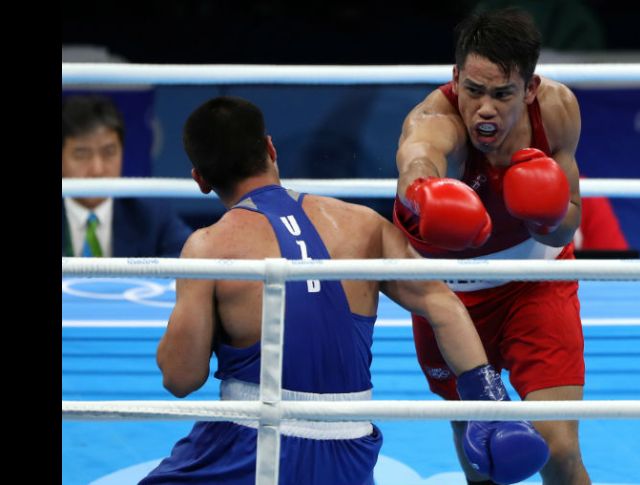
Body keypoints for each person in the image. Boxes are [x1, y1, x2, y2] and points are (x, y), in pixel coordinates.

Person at [140, 96, 550, 485]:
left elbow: (181, 378)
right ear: (270, 148)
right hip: (349, 448)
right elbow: (440, 302)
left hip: (250, 444)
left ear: (199, 180)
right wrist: (488, 400)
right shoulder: (361, 223)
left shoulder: (210, 247)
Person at [392, 7, 591, 485]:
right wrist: (426, 196)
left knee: (557, 446)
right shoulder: (433, 120)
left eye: (502, 94)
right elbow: (417, 159)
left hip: (535, 283)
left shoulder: (557, 111)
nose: (484, 108)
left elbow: (570, 220)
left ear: (530, 88)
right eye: (473, 90)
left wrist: (546, 216)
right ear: (456, 77)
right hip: (451, 300)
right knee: (483, 453)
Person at [62, 94, 191, 257]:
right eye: (81, 154)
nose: (97, 169)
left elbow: (189, 259)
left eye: (109, 152)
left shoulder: (151, 214)